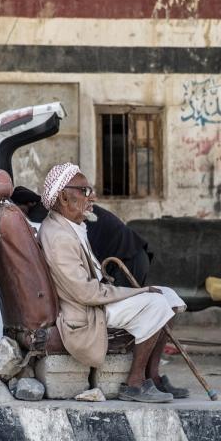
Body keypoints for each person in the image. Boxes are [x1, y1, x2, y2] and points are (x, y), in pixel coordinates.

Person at [37, 163, 187, 403]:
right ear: (65, 198)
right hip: (84, 314)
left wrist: (136, 292)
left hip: (93, 304)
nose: (92, 196)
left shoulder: (71, 225)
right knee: (157, 303)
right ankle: (134, 383)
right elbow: (85, 292)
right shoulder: (59, 237)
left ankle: (153, 376)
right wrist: (137, 292)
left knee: (169, 297)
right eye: (85, 191)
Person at [12, 185, 151, 288]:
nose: (21, 216)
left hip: (127, 261)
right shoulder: (59, 209)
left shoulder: (41, 211)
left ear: (29, 203)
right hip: (131, 256)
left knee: (127, 315)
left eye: (21, 210)